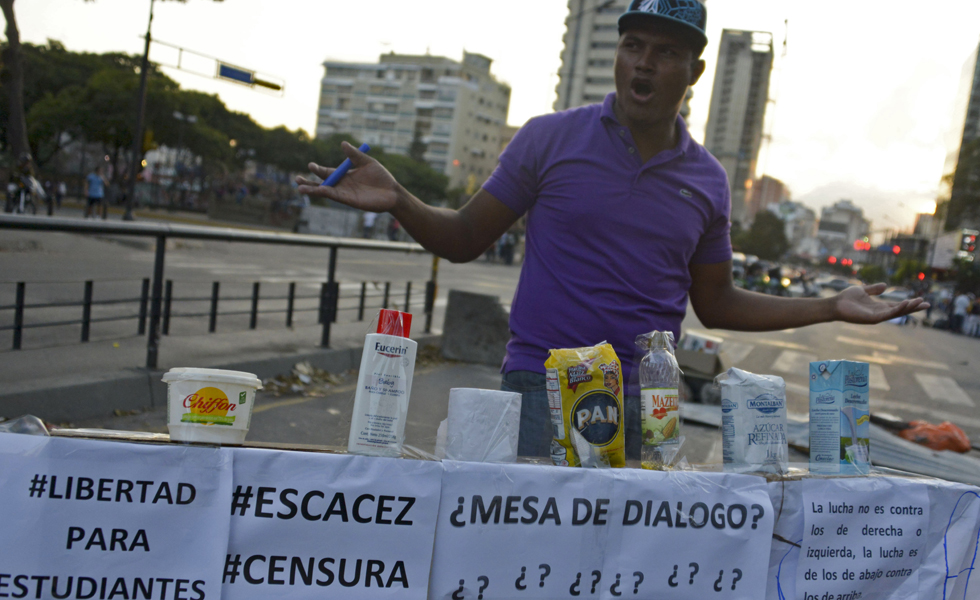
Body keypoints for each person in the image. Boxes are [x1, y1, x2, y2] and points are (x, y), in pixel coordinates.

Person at [296, 0, 926, 459]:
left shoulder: (707, 179)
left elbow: (716, 302)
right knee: (525, 558)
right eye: (633, 46)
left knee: (623, 565)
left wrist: (830, 306)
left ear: (694, 72)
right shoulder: (549, 139)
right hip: (539, 387)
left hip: (643, 399)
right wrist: (400, 198)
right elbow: (464, 239)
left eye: (666, 52)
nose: (643, 64)